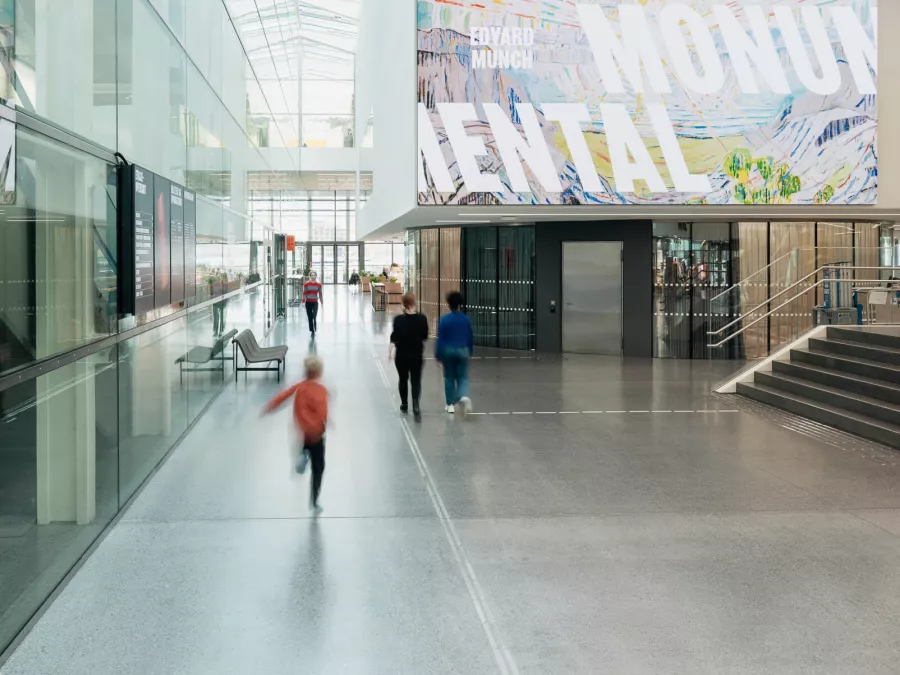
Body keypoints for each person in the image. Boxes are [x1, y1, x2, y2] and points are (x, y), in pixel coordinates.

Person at [262, 355, 329, 512]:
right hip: (317, 434)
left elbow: (282, 397)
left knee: (306, 445)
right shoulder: (321, 390)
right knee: (319, 468)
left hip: (303, 430)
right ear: (319, 373)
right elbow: (322, 412)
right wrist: (324, 424)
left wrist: (269, 407)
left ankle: (303, 453)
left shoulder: (300, 387)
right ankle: (314, 499)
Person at [389, 293, 429, 420]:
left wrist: (389, 352)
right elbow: (425, 336)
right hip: (416, 354)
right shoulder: (422, 318)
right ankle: (416, 404)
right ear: (413, 303)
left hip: (401, 355)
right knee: (416, 380)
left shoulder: (398, 320)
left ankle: (404, 404)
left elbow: (394, 338)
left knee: (403, 379)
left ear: (404, 304)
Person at [435, 291, 474, 415]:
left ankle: (450, 404)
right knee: (462, 377)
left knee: (449, 377)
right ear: (459, 304)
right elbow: (470, 338)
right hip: (463, 350)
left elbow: (440, 339)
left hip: (448, 351)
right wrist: (470, 352)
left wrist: (438, 356)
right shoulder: (466, 320)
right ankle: (463, 396)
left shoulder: (444, 320)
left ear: (448, 304)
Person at [302, 270, 324, 336]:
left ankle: (315, 325)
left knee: (314, 316)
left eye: (314, 275)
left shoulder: (319, 285)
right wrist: (303, 301)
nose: (313, 276)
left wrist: (321, 301)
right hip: (308, 302)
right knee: (310, 317)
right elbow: (304, 293)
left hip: (315, 302)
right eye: (311, 275)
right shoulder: (306, 284)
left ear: (316, 276)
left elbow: (320, 294)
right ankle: (312, 330)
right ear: (310, 276)